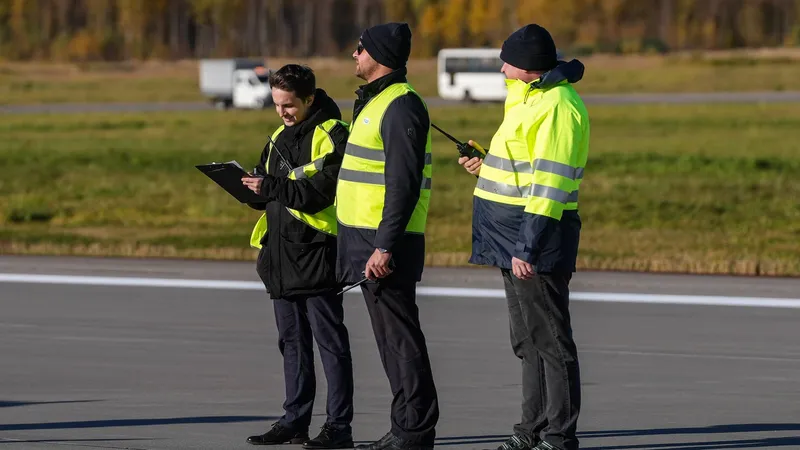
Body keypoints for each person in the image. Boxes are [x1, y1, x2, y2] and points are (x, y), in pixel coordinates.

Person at [457, 24, 590, 450]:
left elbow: (549, 186)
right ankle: (529, 432)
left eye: (507, 61)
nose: (500, 67)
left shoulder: (559, 107)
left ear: (528, 67)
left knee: (551, 341)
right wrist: (487, 163)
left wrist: (527, 248)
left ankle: (559, 437)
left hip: (533, 242)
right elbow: (521, 163)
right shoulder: (526, 97)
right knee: (527, 341)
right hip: (509, 237)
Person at [335, 22, 439, 450]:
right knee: (391, 342)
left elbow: (404, 185)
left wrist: (384, 245)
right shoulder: (379, 102)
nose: (353, 56)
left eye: (359, 49)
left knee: (400, 340)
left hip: (384, 247)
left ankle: (414, 431)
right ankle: (405, 428)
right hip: (367, 242)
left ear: (377, 56)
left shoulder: (400, 107)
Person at [241, 64, 354, 449]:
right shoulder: (276, 137)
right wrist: (250, 189)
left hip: (318, 254)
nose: (282, 113)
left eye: (288, 105)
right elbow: (270, 193)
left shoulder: (334, 135)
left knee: (330, 344)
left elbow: (321, 193)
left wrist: (270, 186)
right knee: (292, 344)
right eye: (276, 104)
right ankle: (295, 420)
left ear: (309, 99)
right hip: (280, 258)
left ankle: (339, 426)